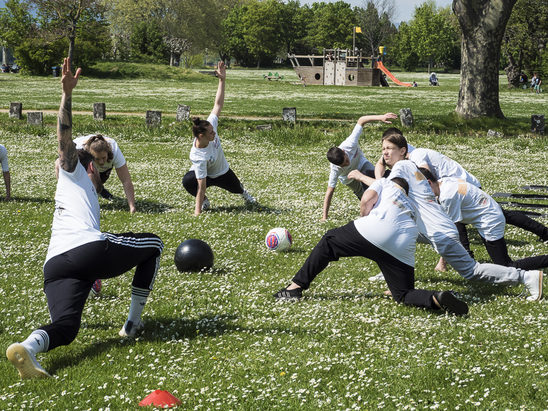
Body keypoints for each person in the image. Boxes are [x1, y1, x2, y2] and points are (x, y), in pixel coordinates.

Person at [5, 57, 164, 380]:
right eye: (99, 165)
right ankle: (132, 323)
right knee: (155, 244)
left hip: (56, 266)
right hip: (86, 249)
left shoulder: (79, 193)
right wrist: (66, 95)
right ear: (89, 165)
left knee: (67, 327)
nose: (102, 168)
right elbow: (64, 140)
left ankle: (28, 347)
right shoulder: (75, 172)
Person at [376, 130, 542, 301]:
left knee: (489, 268)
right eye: (383, 149)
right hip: (465, 216)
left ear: (402, 150)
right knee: (402, 235)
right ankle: (397, 282)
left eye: (389, 148)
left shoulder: (413, 170)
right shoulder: (424, 173)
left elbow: (454, 227)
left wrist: (447, 260)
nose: (385, 153)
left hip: (469, 224)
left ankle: (530, 273)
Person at [274, 177, 469, 315]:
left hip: (376, 228)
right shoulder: (411, 204)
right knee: (403, 293)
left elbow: (367, 199)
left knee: (330, 241)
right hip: (405, 241)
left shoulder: (386, 183)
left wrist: (364, 221)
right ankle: (436, 298)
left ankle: (294, 288)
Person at [421, 168, 548, 270]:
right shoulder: (445, 181)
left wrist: (452, 260)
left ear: (428, 182)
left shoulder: (447, 196)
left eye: (422, 191)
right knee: (502, 262)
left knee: (506, 267)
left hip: (490, 221)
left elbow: (455, 229)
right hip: (488, 211)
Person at [182, 61, 256, 216]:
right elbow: (201, 186)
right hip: (206, 175)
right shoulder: (198, 156)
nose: (214, 133)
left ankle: (244, 194)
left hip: (222, 172)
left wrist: (222, 80)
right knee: (188, 181)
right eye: (211, 133)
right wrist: (197, 213)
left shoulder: (211, 125)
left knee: (237, 188)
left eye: (213, 131)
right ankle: (204, 202)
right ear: (201, 136)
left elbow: (218, 104)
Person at [321, 112, 397, 221]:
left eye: (346, 160)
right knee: (365, 196)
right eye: (344, 165)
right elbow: (330, 191)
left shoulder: (350, 144)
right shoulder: (335, 169)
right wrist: (324, 217)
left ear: (343, 151)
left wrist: (381, 117)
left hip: (362, 164)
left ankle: (389, 203)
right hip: (349, 178)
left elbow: (361, 120)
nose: (348, 164)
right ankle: (373, 211)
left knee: (377, 180)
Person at [74, 134, 136, 213]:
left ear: (108, 152)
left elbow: (126, 180)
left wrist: (132, 206)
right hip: (78, 158)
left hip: (101, 166)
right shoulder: (81, 151)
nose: (101, 162)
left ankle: (101, 190)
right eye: (97, 159)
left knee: (99, 183)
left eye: (103, 158)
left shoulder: (115, 150)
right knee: (90, 183)